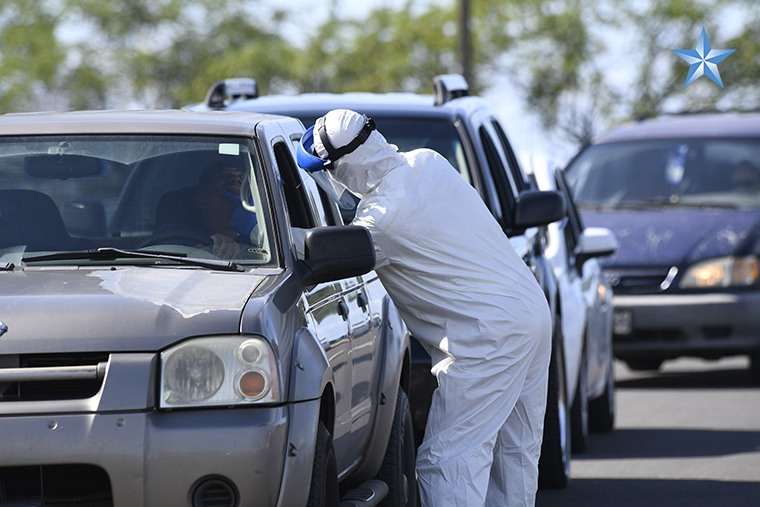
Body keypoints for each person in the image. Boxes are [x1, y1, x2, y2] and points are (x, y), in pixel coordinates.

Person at [297, 108, 553, 506]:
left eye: (326, 169)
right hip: (531, 314)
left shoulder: (380, 221)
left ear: (345, 168)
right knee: (516, 452)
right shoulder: (428, 162)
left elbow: (327, 252)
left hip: (488, 337)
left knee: (447, 461)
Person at [193, 164, 257, 258]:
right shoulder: (180, 234)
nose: (236, 180)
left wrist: (256, 231)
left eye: (242, 178)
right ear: (200, 200)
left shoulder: (260, 241)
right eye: (224, 176)